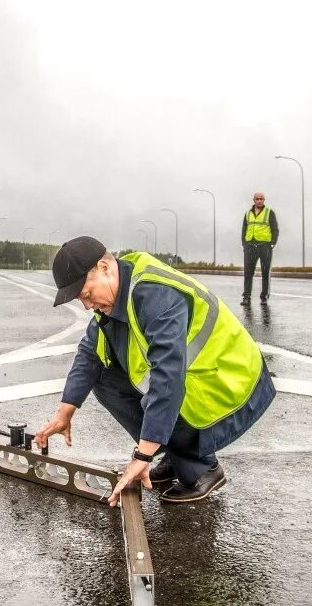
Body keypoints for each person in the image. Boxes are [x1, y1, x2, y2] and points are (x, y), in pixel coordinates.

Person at [35, 237, 276, 504]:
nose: (88, 306)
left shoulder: (155, 294)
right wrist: (65, 412)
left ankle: (203, 467)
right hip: (198, 379)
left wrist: (143, 456)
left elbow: (168, 380)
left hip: (230, 381)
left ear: (104, 268)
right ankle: (177, 455)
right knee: (104, 377)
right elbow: (90, 352)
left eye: (87, 295)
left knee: (161, 394)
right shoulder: (116, 296)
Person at [240, 191, 279, 306]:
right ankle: (246, 297)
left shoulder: (269, 212)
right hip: (250, 246)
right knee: (248, 273)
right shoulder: (247, 213)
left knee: (265, 272)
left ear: (264, 200)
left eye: (261, 199)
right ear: (254, 200)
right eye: (257, 199)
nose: (259, 201)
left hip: (264, 246)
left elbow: (275, 229)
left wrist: (272, 244)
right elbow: (244, 229)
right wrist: (244, 243)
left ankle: (264, 297)